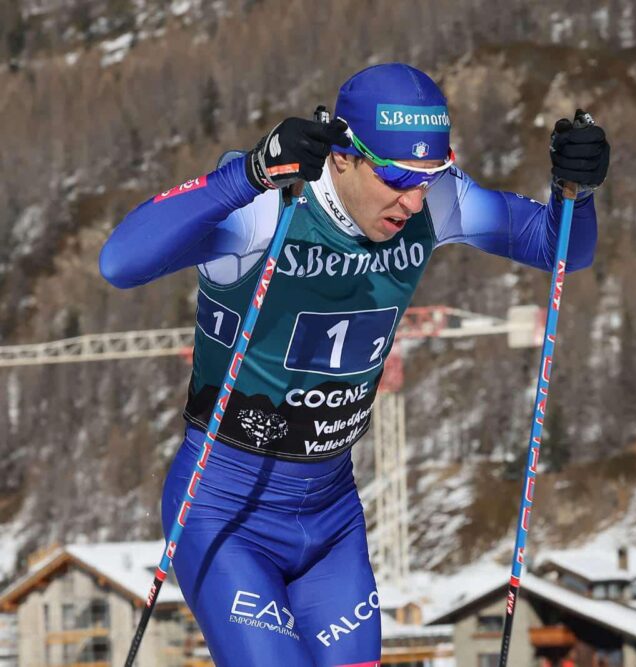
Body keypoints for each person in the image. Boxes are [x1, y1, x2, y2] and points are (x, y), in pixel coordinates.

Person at [99, 63, 609, 666]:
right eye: (395, 175)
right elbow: (120, 262)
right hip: (225, 510)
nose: (413, 198)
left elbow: (560, 249)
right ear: (343, 156)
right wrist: (247, 174)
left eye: (431, 175)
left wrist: (576, 190)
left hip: (331, 515)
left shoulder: (434, 204)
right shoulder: (268, 208)